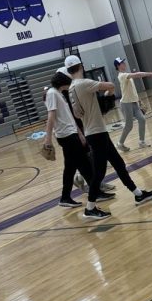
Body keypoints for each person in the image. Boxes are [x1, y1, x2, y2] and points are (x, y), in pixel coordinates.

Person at [66, 57, 152, 220]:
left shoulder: (72, 88)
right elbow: (110, 86)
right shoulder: (84, 83)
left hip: (94, 130)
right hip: (97, 133)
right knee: (99, 173)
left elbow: (78, 114)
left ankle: (137, 194)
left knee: (118, 163)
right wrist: (108, 94)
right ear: (80, 66)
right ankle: (90, 208)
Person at [43, 69, 101, 209]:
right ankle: (96, 192)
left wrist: (80, 134)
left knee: (70, 167)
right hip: (66, 136)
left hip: (71, 134)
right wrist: (48, 138)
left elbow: (68, 116)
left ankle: (65, 197)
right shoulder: (52, 93)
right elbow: (51, 116)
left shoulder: (59, 94)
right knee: (85, 164)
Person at [114, 57, 152, 151]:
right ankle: (120, 143)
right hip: (126, 104)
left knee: (142, 119)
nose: (124, 64)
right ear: (118, 66)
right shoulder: (122, 75)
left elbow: (131, 90)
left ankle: (141, 142)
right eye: (122, 63)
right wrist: (150, 74)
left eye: (123, 62)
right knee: (129, 126)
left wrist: (138, 100)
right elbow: (137, 74)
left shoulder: (127, 75)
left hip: (134, 102)